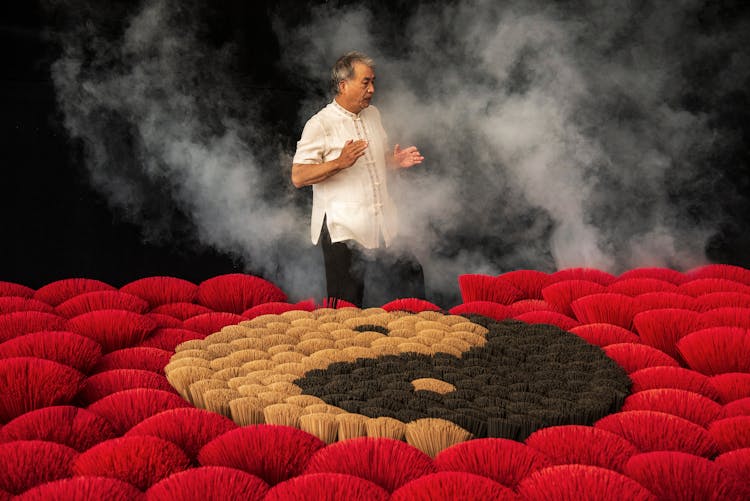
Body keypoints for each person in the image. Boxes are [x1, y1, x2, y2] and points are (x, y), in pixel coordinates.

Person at [291, 51, 426, 307]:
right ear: (343, 85)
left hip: (381, 221)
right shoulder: (320, 124)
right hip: (343, 229)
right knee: (347, 305)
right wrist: (339, 163)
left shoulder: (373, 114)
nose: (372, 89)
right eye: (365, 82)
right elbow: (298, 176)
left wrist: (393, 162)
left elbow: (374, 161)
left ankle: (420, 341)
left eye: (373, 82)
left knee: (412, 276)